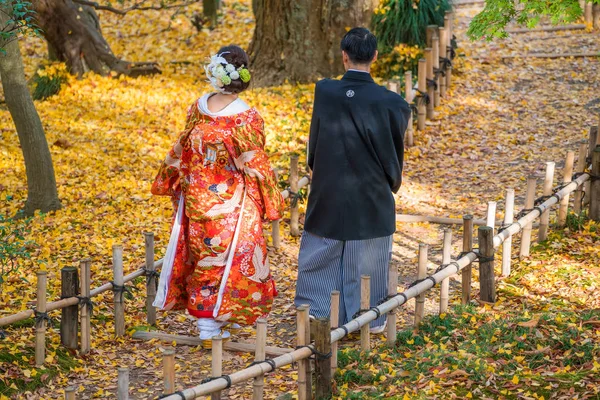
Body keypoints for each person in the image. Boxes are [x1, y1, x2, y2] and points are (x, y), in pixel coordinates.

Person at [151, 45, 284, 346]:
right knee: (224, 258)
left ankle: (221, 316)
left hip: (197, 197)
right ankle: (209, 325)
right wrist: (269, 196)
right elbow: (255, 161)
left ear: (216, 72)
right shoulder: (247, 117)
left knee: (206, 257)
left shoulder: (198, 108)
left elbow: (182, 147)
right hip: (231, 201)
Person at [294, 27, 410, 333]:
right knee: (367, 256)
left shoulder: (325, 91)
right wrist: (391, 181)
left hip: (329, 186)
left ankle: (318, 314)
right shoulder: (393, 103)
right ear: (375, 56)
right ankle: (367, 318)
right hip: (370, 190)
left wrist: (318, 170)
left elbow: (315, 142)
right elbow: (393, 152)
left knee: (322, 252)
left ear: (343, 56)